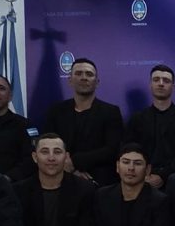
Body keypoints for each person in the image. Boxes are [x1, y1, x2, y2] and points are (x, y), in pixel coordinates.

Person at [42, 58, 124, 186]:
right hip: (61, 178)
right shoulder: (56, 111)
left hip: (99, 181)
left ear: (97, 82)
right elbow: (47, 144)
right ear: (70, 80)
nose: (84, 78)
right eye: (78, 73)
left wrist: (75, 162)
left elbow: (113, 149)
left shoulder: (111, 112)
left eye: (89, 74)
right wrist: (69, 169)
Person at [124, 64, 175, 188]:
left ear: (173, 86)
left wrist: (163, 175)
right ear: (150, 85)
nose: (161, 84)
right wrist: (144, 174)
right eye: (156, 79)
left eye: (166, 80)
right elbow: (129, 151)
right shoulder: (137, 119)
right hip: (142, 182)